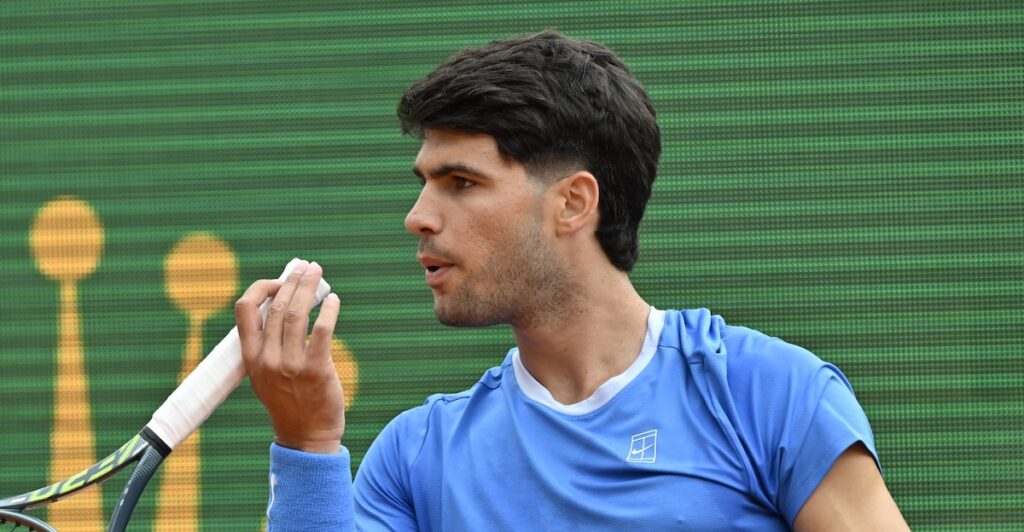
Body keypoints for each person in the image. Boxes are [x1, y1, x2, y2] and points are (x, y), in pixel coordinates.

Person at [235, 30, 909, 530]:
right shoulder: (415, 458)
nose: (418, 217)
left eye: (461, 182)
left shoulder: (775, 395)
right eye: (425, 184)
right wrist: (308, 443)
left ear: (573, 203)